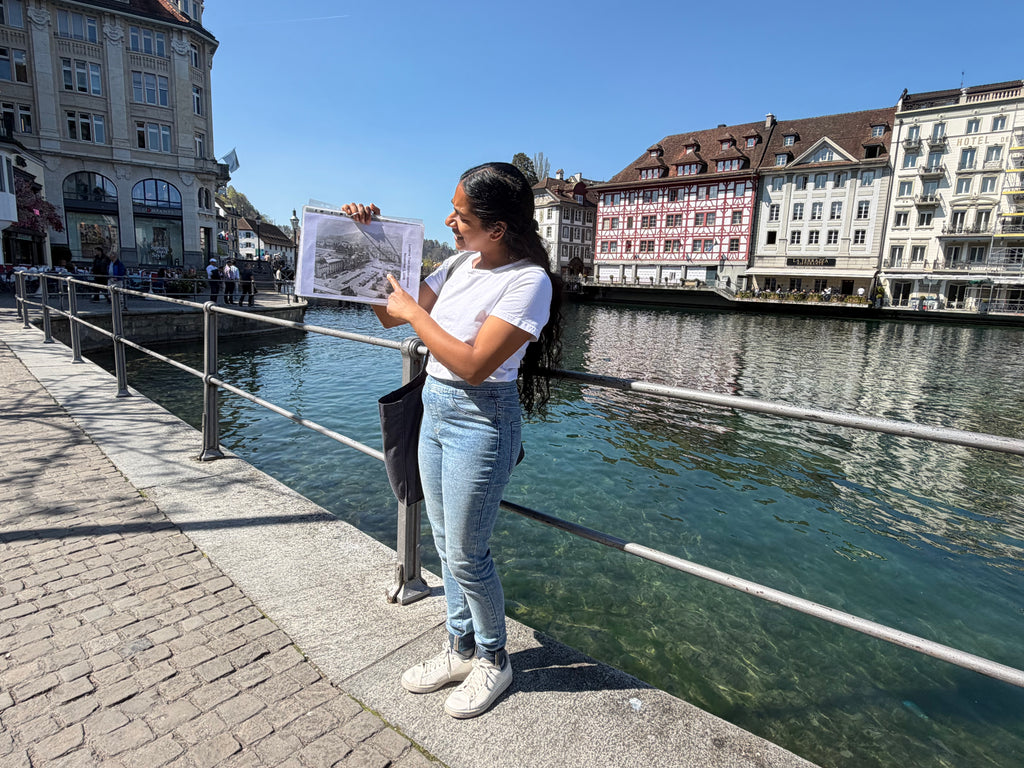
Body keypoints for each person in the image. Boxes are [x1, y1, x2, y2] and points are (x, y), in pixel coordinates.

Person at [342, 161, 562, 720]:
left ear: (498, 228)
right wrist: (369, 237)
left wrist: (416, 312)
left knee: (468, 552)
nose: (450, 221)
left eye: (460, 215)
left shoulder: (528, 281)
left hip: (481, 419)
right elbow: (391, 314)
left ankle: (494, 659)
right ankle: (460, 648)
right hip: (435, 409)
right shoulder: (462, 263)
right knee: (445, 543)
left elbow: (473, 365)